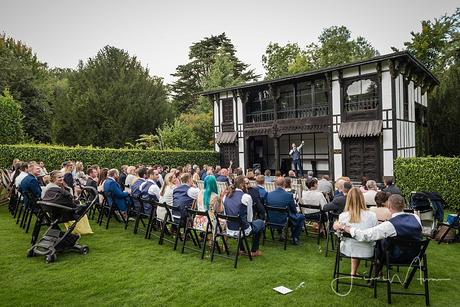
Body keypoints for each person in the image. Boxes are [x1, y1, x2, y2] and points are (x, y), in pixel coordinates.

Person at [334, 194, 422, 267]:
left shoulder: (389, 225)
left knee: (378, 244)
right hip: (415, 257)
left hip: (394, 257)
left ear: (389, 206)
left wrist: (345, 227)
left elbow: (365, 236)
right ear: (404, 205)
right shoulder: (416, 218)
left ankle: (378, 271)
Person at [337, 187, 377, 275]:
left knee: (353, 243)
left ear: (348, 199)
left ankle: (353, 272)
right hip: (367, 250)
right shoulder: (372, 215)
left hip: (348, 250)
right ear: (362, 198)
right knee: (357, 243)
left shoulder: (343, 216)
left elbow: (339, 235)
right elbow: (374, 234)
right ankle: (353, 272)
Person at [223, 175, 265, 256]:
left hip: (230, 229)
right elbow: (250, 218)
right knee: (260, 223)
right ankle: (254, 250)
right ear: (242, 185)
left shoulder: (226, 196)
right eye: (245, 184)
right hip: (242, 229)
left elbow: (226, 215)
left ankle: (242, 249)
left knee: (243, 223)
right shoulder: (246, 196)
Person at [43, 171, 93, 235]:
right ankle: (79, 209)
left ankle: (79, 208)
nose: (62, 178)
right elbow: (64, 200)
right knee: (79, 208)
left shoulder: (50, 186)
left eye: (62, 177)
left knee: (77, 204)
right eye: (59, 177)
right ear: (53, 179)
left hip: (52, 210)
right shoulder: (54, 188)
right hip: (58, 213)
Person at [265, 177, 305, 245]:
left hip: (271, 220)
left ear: (275, 184)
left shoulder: (269, 194)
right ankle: (294, 238)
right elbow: (294, 210)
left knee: (281, 214)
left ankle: (281, 234)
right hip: (284, 221)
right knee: (301, 217)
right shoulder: (288, 195)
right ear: (284, 184)